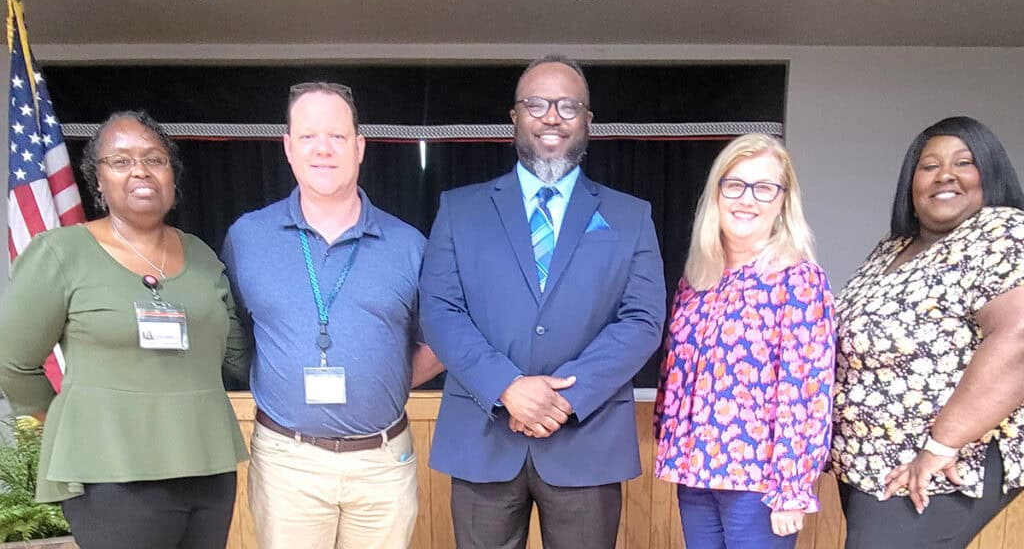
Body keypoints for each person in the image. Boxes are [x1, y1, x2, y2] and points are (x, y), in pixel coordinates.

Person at [419, 54, 667, 549]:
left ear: (588, 120)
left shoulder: (631, 216)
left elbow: (641, 321)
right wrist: (507, 385)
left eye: (568, 105)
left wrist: (564, 399)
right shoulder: (459, 210)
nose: (551, 116)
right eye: (536, 103)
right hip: (483, 438)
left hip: (587, 440)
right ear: (514, 116)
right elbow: (441, 312)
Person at [0, 111, 250, 549]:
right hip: (111, 473)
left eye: (155, 159)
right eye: (120, 160)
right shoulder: (62, 253)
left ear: (172, 176)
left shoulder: (202, 255)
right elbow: (11, 360)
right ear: (97, 179)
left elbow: (237, 356)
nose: (140, 170)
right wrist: (69, 420)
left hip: (208, 469)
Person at [221, 82, 442, 549]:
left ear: (359, 147)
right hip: (287, 463)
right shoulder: (248, 238)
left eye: (338, 137)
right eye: (308, 136)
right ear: (287, 146)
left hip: (382, 464)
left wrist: (385, 382)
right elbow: (237, 330)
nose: (323, 149)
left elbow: (442, 338)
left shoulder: (409, 246)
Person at [832, 116, 1024, 548]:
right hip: (873, 462)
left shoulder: (1003, 231)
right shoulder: (894, 247)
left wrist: (941, 445)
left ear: (989, 174)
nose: (945, 175)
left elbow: (1018, 337)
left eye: (964, 162)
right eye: (929, 165)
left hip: (941, 462)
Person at [653, 133, 835, 548]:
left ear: (783, 201)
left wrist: (792, 488)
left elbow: (807, 390)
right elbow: (676, 376)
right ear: (716, 194)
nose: (746, 199)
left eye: (764, 187)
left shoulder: (798, 279)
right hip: (696, 473)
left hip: (760, 484)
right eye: (734, 184)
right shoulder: (696, 282)